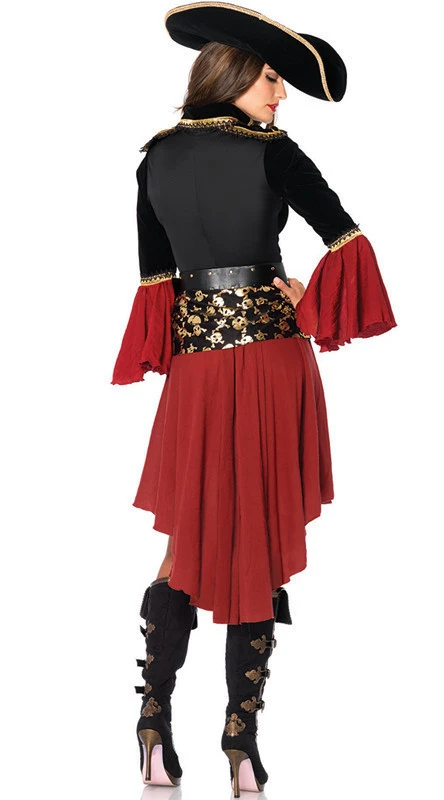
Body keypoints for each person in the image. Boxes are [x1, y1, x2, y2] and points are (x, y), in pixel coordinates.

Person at [110, 3, 397, 795]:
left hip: (198, 374)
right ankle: (241, 743)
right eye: (270, 77)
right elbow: (348, 241)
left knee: (190, 538)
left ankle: (152, 724)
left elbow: (157, 285)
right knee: (258, 539)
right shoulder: (275, 152)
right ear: (231, 75)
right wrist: (305, 299)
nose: (280, 93)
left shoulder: (155, 158)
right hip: (271, 362)